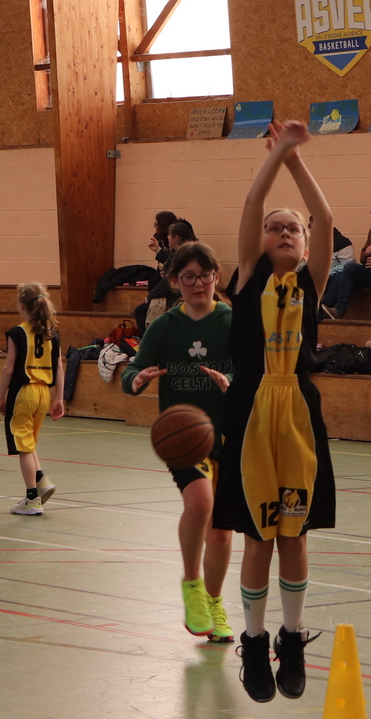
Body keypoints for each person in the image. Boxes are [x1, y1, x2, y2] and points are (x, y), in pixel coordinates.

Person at [213, 120, 335, 703]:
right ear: (259, 241)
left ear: (306, 247)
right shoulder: (247, 276)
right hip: (250, 407)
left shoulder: (312, 282)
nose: (284, 231)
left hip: (298, 410)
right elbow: (251, 203)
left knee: (295, 535)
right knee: (258, 537)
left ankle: (292, 635)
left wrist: (295, 161)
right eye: (274, 227)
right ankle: (256, 640)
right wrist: (276, 155)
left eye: (293, 229)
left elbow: (325, 218)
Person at [119, 241, 237, 643]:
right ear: (174, 281)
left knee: (221, 532)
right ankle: (192, 584)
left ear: (216, 277)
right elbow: (132, 368)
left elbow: (251, 372)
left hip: (229, 435)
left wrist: (230, 382)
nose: (198, 283)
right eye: (188, 277)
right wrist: (134, 379)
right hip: (184, 438)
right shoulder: (165, 327)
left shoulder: (231, 322)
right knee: (200, 502)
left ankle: (214, 603)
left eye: (205, 275)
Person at [0, 283, 65, 514]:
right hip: (44, 393)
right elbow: (59, 368)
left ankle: (32, 498)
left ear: (22, 306)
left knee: (23, 447)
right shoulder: (51, 334)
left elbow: (8, 368)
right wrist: (59, 398)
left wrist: (0, 398)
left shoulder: (18, 332)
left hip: (24, 392)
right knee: (29, 441)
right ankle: (42, 481)